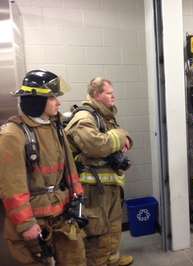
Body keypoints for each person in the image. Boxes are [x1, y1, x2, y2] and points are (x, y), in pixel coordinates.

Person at [0, 69, 87, 265]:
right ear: (36, 101)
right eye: (52, 97)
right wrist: (26, 224)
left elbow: (69, 167)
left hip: (63, 216)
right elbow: (12, 187)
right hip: (36, 222)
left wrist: (78, 196)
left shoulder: (55, 126)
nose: (58, 102)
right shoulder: (13, 135)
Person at [65, 77, 133, 266]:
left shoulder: (104, 115)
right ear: (96, 94)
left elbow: (118, 137)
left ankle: (112, 259)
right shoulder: (84, 118)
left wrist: (123, 137)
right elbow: (97, 146)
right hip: (92, 188)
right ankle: (99, 262)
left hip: (107, 184)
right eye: (109, 93)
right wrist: (120, 136)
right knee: (97, 230)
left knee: (112, 225)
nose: (114, 96)